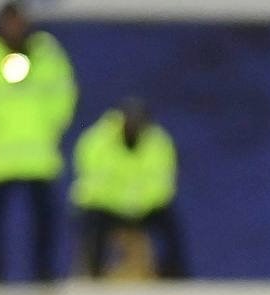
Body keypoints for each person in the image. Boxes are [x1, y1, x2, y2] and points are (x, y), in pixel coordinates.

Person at [0, 3, 77, 282]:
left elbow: (64, 94)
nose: (14, 28)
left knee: (45, 219)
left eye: (18, 21)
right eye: (8, 22)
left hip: (39, 153)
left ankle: (43, 273)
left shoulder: (48, 53)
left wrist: (48, 127)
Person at [72, 99, 188, 280]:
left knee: (170, 225)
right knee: (93, 225)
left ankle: (177, 276)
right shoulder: (97, 141)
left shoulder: (158, 144)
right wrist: (121, 205)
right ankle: (93, 275)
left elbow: (163, 185)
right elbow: (93, 182)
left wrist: (137, 206)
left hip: (144, 207)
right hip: (106, 206)